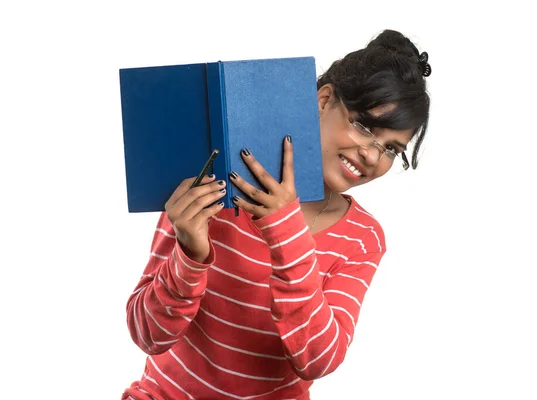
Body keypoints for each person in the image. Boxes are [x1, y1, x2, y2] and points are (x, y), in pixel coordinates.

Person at [122, 29, 431, 400]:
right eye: (364, 126)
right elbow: (147, 335)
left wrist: (285, 230)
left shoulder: (363, 237)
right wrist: (190, 256)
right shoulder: (217, 185)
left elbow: (319, 360)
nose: (372, 155)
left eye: (391, 149)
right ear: (324, 98)